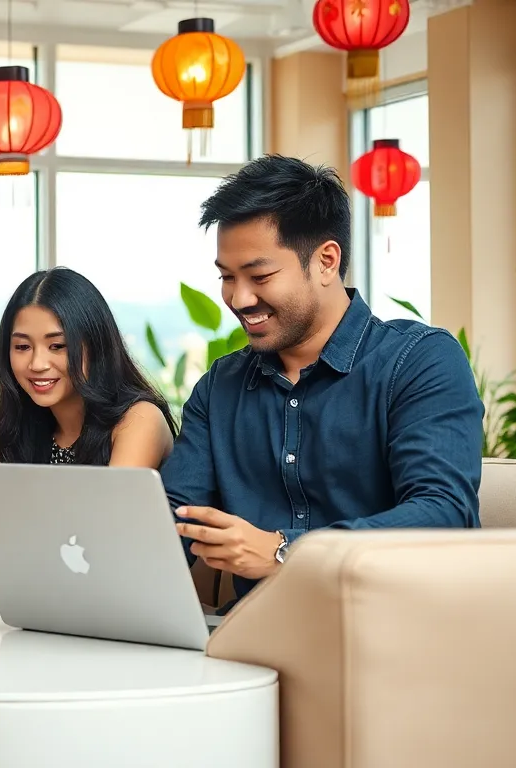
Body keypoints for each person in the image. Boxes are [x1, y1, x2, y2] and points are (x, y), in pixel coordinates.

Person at [162, 155, 483, 607]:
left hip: (396, 626)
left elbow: (442, 514)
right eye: (227, 277)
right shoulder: (221, 386)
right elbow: (173, 518)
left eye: (259, 276)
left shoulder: (419, 360)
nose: (239, 298)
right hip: (257, 634)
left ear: (326, 262)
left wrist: (286, 551)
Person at [0, 267, 178, 586]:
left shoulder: (139, 420)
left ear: (95, 345)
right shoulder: (26, 426)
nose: (37, 364)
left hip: (130, 598)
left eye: (58, 346)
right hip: (53, 596)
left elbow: (100, 539)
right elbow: (1, 535)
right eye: (22, 347)